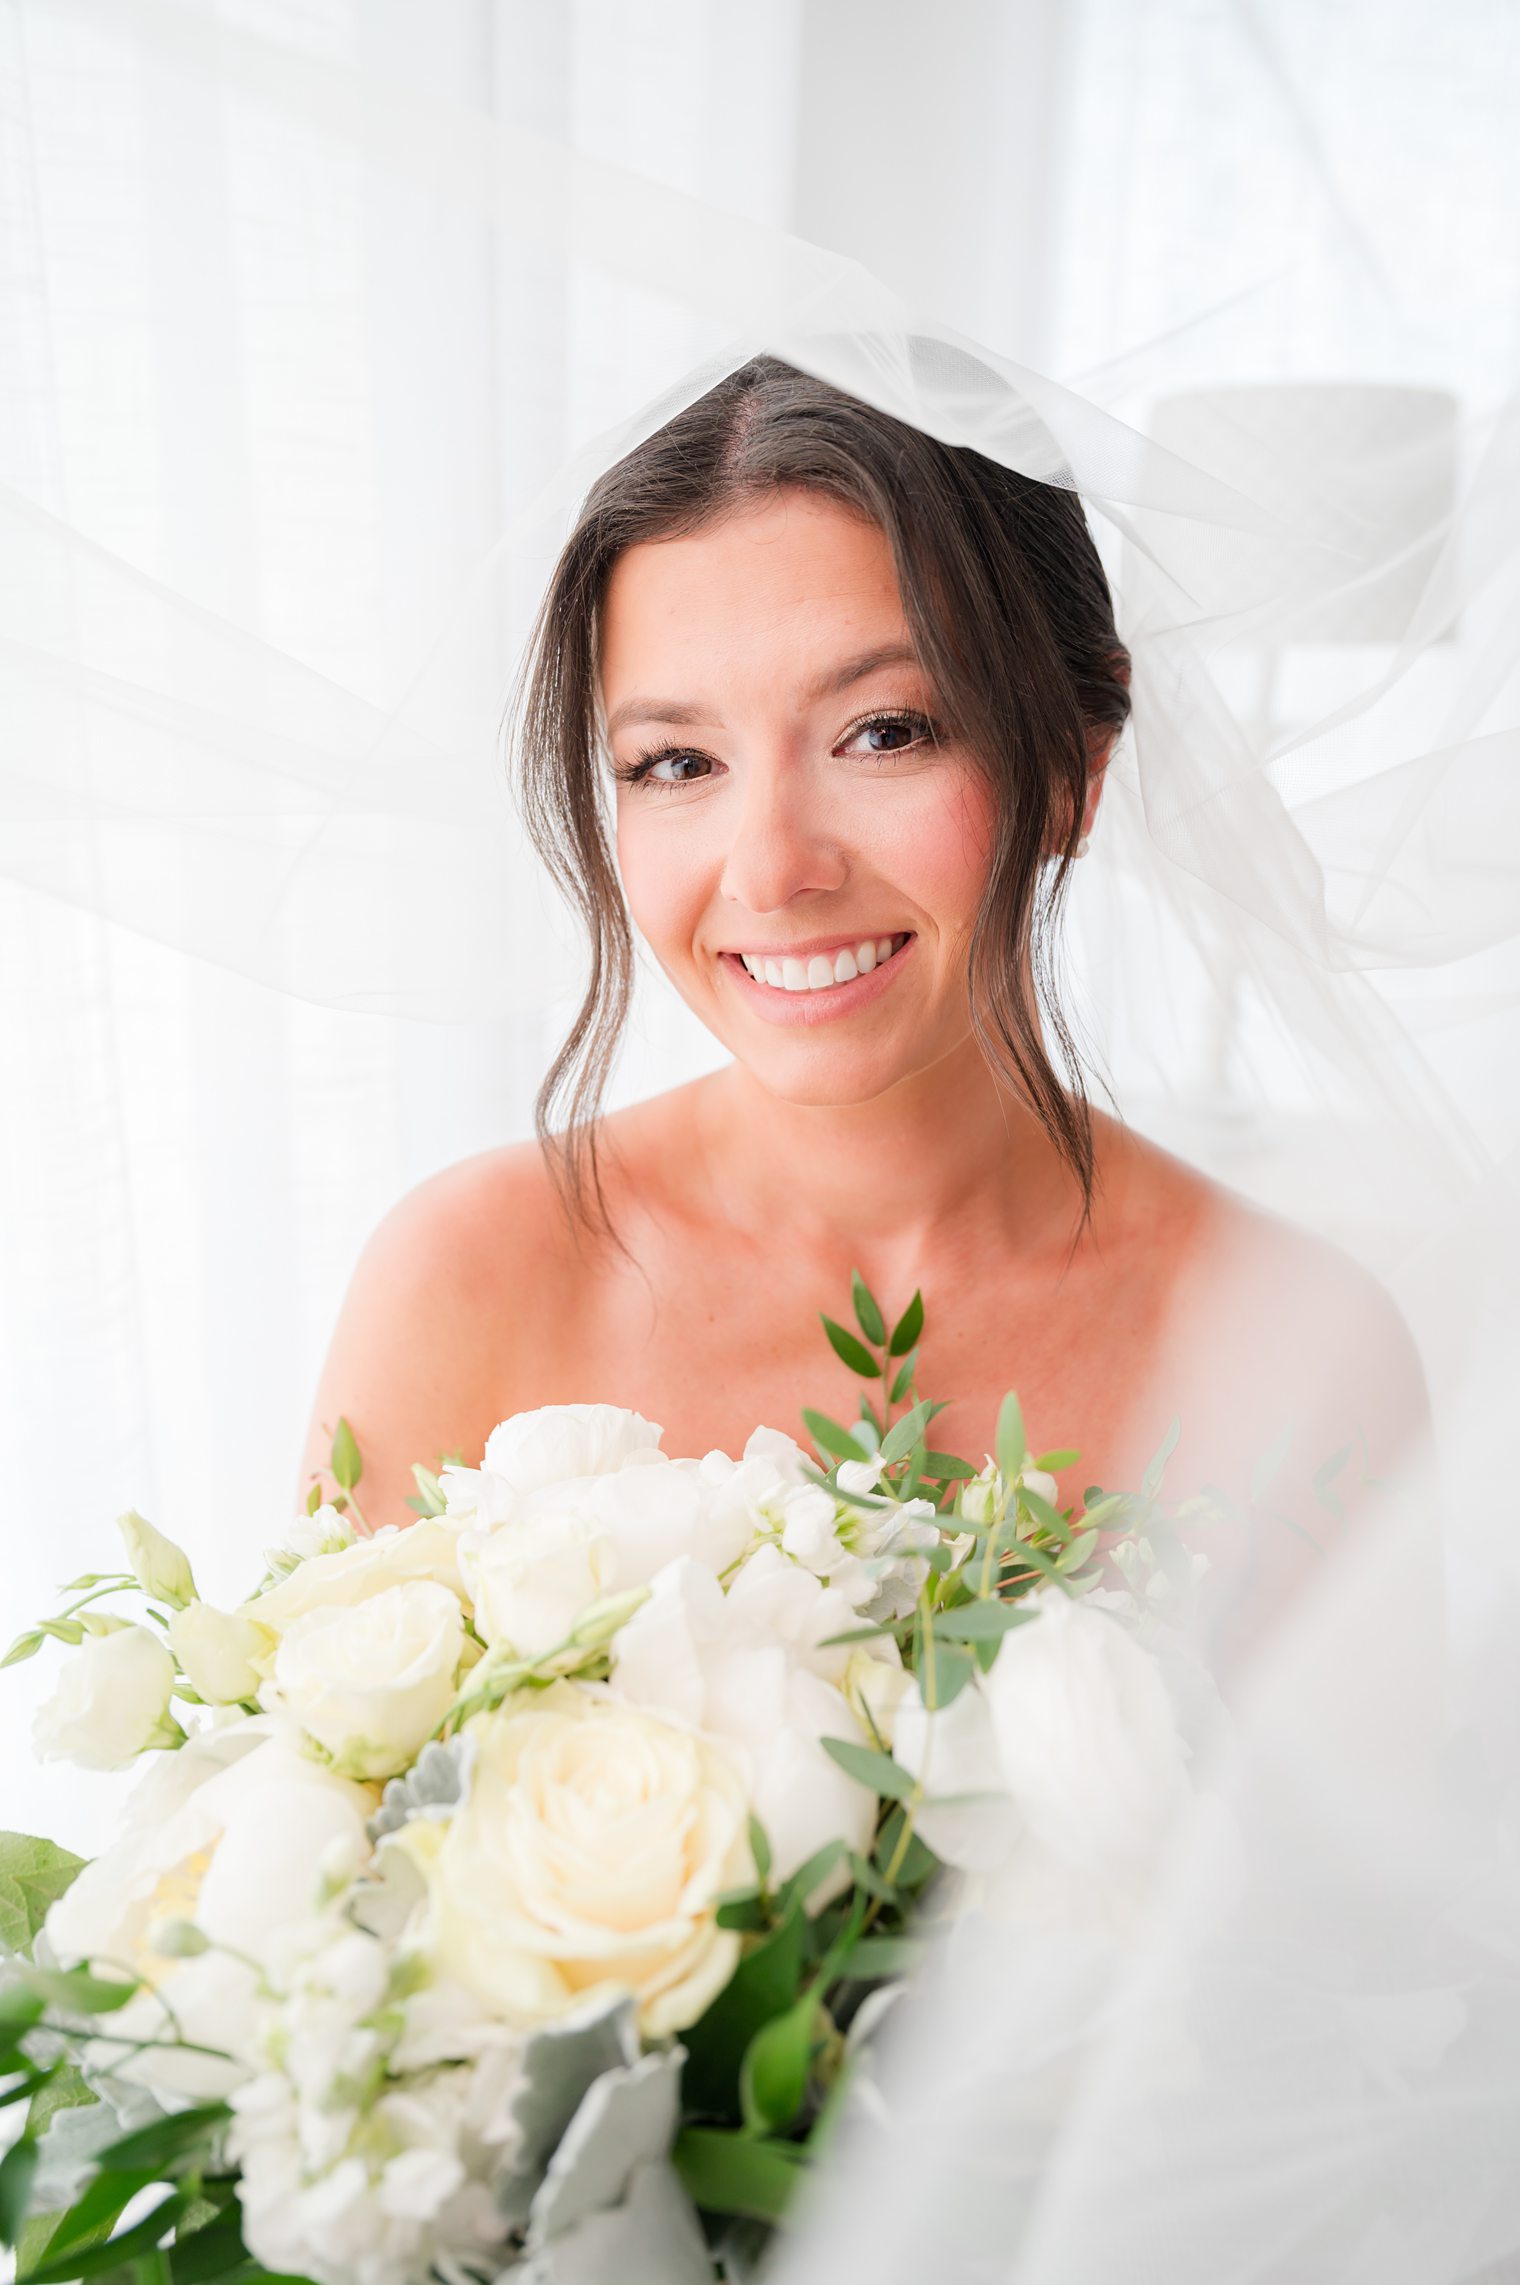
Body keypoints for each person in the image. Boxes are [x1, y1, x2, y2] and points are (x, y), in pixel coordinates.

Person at [293, 355, 1431, 1678]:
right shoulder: (465, 1283)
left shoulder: (1306, 1348)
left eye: (883, 731)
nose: (773, 867)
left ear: (1074, 760)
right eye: (676, 761)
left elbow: (1370, 1884)